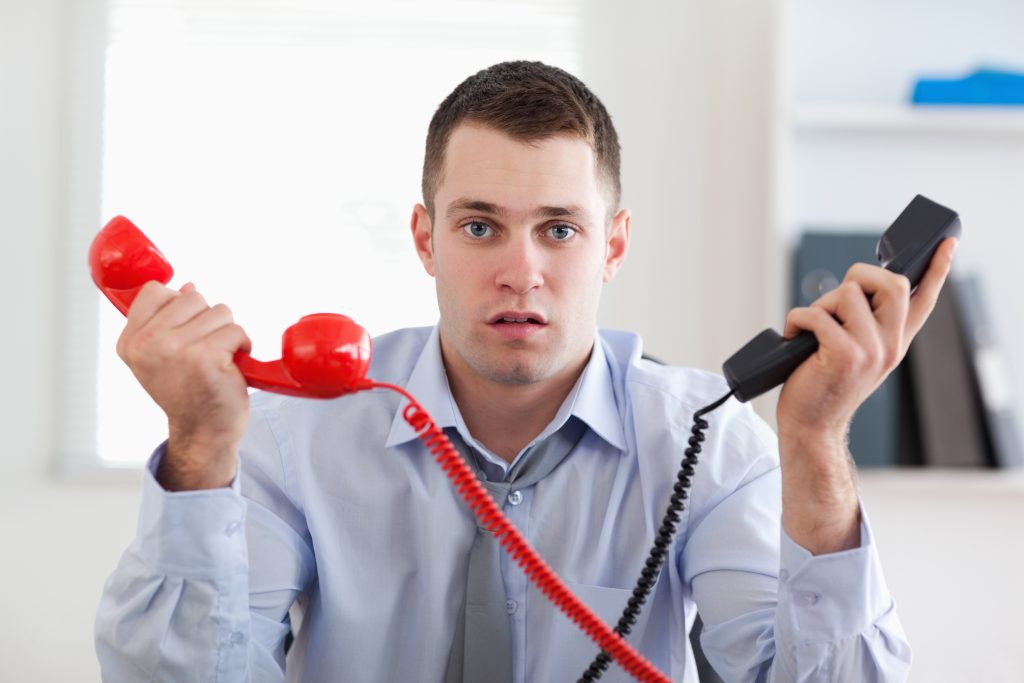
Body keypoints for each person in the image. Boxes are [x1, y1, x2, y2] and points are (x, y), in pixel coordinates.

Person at [95, 60, 952, 682]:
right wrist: (200, 452)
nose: (521, 271)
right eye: (479, 227)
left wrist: (815, 442)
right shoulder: (298, 428)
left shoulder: (705, 439)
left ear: (613, 245)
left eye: (560, 229)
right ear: (425, 239)